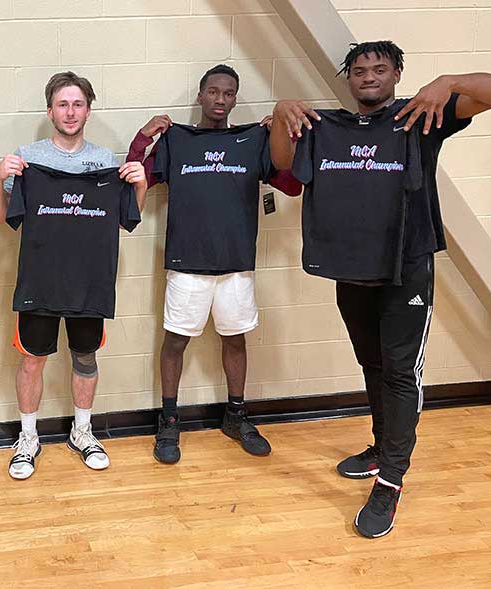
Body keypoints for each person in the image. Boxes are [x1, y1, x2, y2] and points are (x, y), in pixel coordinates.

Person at [269, 41, 491, 538]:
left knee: (399, 372)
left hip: (406, 270)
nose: (368, 76)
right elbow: (282, 163)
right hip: (350, 270)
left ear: (397, 74)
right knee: (372, 364)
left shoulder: (421, 117)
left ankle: (392, 481)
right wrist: (277, 115)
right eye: (359, 70)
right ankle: (381, 446)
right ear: (349, 79)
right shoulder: (324, 127)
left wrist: (451, 83)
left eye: (379, 68)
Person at [127, 64, 303, 464]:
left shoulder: (253, 140)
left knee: (235, 339)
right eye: (213, 92)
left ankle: (235, 415)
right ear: (201, 96)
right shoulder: (177, 141)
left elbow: (292, 184)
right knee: (175, 341)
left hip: (236, 263)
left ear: (235, 98)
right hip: (187, 262)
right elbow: (137, 177)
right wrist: (144, 137)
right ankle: (169, 419)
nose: (220, 99)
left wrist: (282, 136)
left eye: (228, 93)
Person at [0, 71, 148, 479]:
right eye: (63, 104)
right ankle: (28, 438)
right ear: (50, 110)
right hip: (39, 280)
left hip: (89, 281)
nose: (70, 112)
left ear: (88, 110)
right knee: (32, 361)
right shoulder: (28, 158)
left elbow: (127, 219)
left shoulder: (106, 163)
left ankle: (82, 430)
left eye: (77, 104)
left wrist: (139, 185)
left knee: (85, 357)